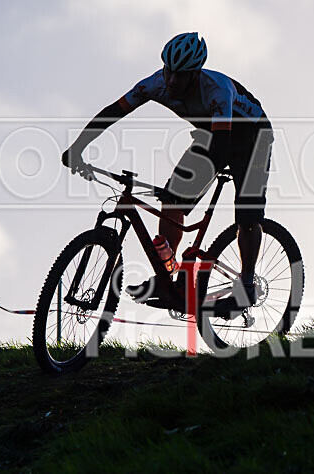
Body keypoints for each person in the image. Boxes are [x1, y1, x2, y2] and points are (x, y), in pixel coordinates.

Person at [62, 32, 273, 311]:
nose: (172, 81)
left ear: (195, 74)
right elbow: (113, 111)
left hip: (253, 136)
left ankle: (247, 284)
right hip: (213, 133)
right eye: (169, 72)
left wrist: (210, 180)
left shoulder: (216, 89)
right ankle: (168, 277)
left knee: (247, 211)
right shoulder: (154, 84)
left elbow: (222, 149)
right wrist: (78, 147)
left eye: (181, 75)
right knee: (172, 200)